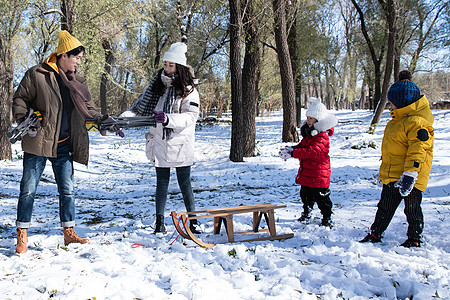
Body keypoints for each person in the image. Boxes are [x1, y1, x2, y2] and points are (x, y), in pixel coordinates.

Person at [12, 30, 112, 254]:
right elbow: (20, 98)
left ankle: (69, 233)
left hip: (64, 143)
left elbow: (90, 109)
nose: (78, 62)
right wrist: (25, 117)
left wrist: (102, 121)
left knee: (68, 191)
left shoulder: (77, 82)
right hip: (38, 142)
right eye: (76, 57)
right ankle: (22, 235)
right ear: (63, 55)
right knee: (28, 189)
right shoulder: (37, 75)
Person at [121, 42, 200, 234]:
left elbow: (190, 116)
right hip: (160, 142)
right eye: (165, 64)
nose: (166, 68)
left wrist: (168, 119)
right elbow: (138, 108)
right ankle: (159, 222)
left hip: (180, 143)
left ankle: (194, 221)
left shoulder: (188, 90)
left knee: (185, 183)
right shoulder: (156, 86)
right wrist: (122, 121)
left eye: (170, 65)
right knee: (161, 183)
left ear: (179, 67)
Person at [360, 80, 434, 247]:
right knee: (385, 206)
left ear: (401, 102)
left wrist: (410, 174)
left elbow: (418, 149)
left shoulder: (417, 123)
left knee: (412, 209)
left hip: (412, 176)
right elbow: (391, 152)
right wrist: (384, 173)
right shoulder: (396, 121)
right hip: (393, 175)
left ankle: (414, 238)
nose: (389, 105)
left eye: (391, 101)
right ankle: (376, 232)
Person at [279, 98, 338, 227]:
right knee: (305, 195)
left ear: (319, 120)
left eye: (311, 118)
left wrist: (294, 154)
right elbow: (302, 146)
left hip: (319, 174)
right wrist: (291, 149)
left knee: (322, 198)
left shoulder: (322, 137)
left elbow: (312, 152)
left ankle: (327, 217)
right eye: (308, 118)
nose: (308, 121)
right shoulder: (310, 135)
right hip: (307, 173)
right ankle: (307, 212)